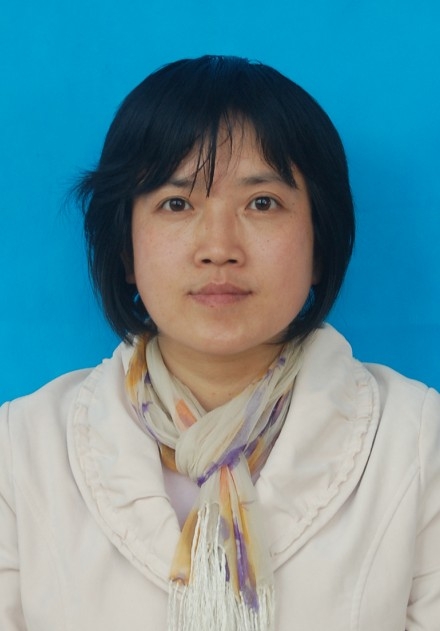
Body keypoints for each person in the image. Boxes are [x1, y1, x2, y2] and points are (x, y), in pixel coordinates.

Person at [0, 55, 439, 631]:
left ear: (320, 243)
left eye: (263, 203)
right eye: (176, 204)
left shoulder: (418, 443)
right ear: (126, 249)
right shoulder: (21, 451)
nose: (218, 248)